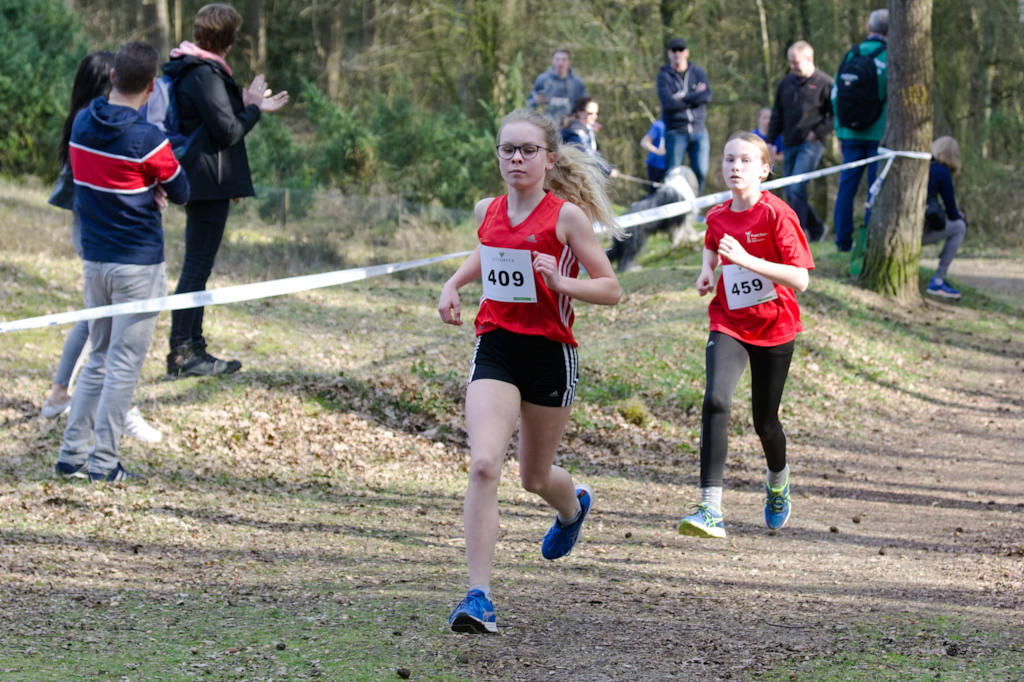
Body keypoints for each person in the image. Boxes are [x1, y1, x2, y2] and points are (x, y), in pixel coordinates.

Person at [437, 108, 622, 633]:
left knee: (533, 476)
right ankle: (479, 597)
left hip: (549, 353)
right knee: (483, 464)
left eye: (527, 151)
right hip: (496, 344)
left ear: (548, 159)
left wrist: (563, 285)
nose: (516, 159)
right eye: (507, 150)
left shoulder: (565, 218)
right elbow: (488, 250)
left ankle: (572, 507)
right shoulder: (486, 209)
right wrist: (453, 284)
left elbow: (609, 288)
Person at [55, 42, 190, 482]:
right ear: (152, 89)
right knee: (122, 366)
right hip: (137, 266)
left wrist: (139, 185)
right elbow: (182, 188)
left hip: (94, 262)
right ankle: (104, 463)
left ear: (112, 78)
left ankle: (71, 455)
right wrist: (151, 186)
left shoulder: (80, 123)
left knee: (98, 357)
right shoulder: (148, 140)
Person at [678, 132, 814, 538]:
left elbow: (801, 278)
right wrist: (707, 270)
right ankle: (710, 509)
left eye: (745, 161)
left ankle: (777, 480)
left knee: (765, 421)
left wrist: (750, 261)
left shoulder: (778, 215)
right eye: (728, 160)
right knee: (716, 400)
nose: (735, 167)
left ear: (764, 169)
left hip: (774, 327)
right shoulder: (718, 215)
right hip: (729, 321)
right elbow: (712, 242)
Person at [40, 52, 163, 444]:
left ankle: (71, 411)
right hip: (105, 238)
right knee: (103, 330)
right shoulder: (90, 126)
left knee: (101, 325)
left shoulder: (86, 121)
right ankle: (90, 410)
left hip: (100, 237)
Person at [163, 3, 289, 378]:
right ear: (230, 39)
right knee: (196, 268)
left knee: (198, 267)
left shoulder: (198, 69)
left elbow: (218, 121)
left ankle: (192, 347)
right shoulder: (204, 74)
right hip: (205, 183)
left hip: (206, 179)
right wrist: (251, 107)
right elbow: (229, 130)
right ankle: (184, 353)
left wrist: (253, 106)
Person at [832, 9, 888, 252]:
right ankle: (867, 242)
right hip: (879, 134)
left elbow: (836, 95)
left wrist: (840, 131)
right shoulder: (891, 57)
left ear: (869, 27)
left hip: (850, 134)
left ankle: (843, 241)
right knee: (876, 188)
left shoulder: (851, 55)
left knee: (847, 188)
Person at [766, 41, 833, 242]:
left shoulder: (825, 83)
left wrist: (819, 132)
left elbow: (836, 116)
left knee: (797, 187)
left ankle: (798, 233)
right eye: (790, 62)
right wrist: (769, 141)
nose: (792, 66)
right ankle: (817, 228)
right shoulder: (785, 83)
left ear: (808, 59)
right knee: (789, 189)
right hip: (789, 142)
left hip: (811, 144)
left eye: (795, 62)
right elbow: (777, 113)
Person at [657, 37, 712, 190]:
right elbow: (668, 103)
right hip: (675, 131)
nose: (677, 53)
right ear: (669, 53)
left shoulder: (698, 72)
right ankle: (672, 208)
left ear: (686, 52)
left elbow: (706, 96)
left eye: (681, 50)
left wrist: (682, 96)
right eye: (674, 50)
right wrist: (694, 96)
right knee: (672, 173)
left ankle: (695, 206)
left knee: (701, 171)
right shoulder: (664, 75)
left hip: (699, 130)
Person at [922, 136, 967, 300]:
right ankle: (938, 280)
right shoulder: (943, 172)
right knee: (959, 227)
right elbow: (952, 210)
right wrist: (957, 216)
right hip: (920, 231)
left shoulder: (923, 165)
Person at [527, 47, 587, 128]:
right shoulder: (543, 79)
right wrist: (536, 101)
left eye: (564, 60)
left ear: (569, 62)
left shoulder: (577, 83)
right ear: (553, 61)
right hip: (546, 127)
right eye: (557, 59)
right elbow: (529, 104)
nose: (560, 62)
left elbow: (584, 107)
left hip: (569, 128)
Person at [561, 97, 616, 177]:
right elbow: (586, 159)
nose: (594, 116)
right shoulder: (574, 133)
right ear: (579, 112)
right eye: (590, 113)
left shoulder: (587, 128)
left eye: (596, 113)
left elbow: (594, 154)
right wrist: (608, 170)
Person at [641, 117, 667, 191]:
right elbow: (644, 142)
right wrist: (658, 151)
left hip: (670, 166)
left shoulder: (679, 126)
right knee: (654, 193)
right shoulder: (659, 125)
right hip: (656, 166)